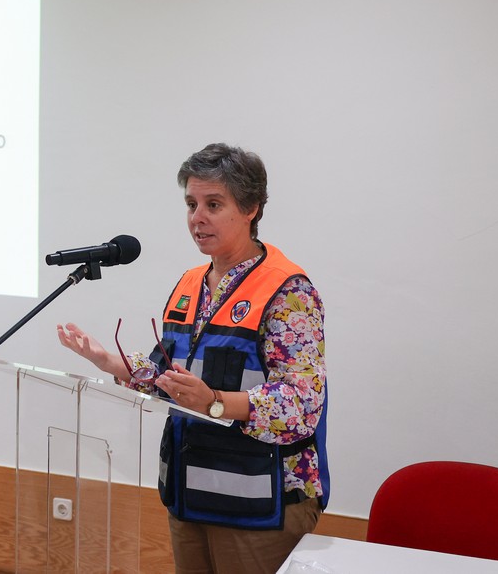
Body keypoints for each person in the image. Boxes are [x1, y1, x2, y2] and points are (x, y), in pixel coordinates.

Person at [56, 143, 329, 574]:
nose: (196, 218)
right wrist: (111, 362)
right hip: (190, 493)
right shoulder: (190, 283)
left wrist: (215, 402)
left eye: (213, 204)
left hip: (260, 504)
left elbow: (301, 406)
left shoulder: (287, 290)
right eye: (190, 204)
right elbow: (172, 373)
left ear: (251, 208)